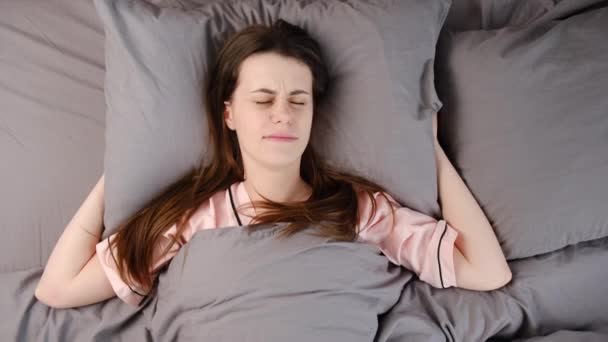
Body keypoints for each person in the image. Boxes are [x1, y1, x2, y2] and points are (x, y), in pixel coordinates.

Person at [35, 19, 511, 309]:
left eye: (297, 100)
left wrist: (431, 151)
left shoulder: (358, 210)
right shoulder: (194, 218)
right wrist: (117, 171)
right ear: (229, 114)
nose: (282, 113)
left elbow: (489, 272)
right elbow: (58, 288)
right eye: (263, 99)